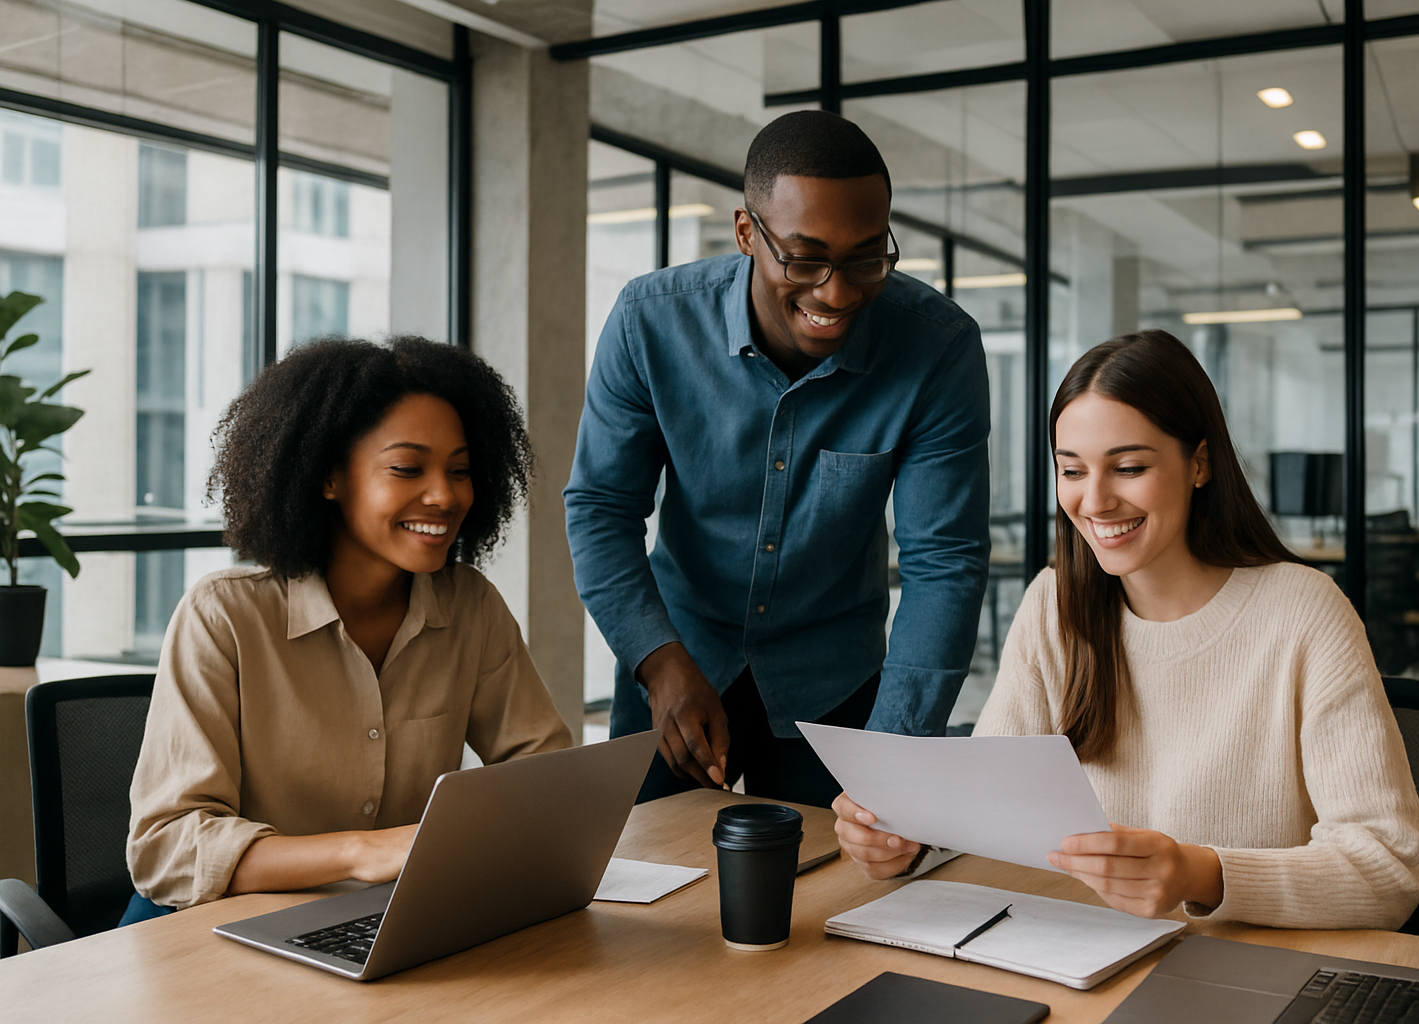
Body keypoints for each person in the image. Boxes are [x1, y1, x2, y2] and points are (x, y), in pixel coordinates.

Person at [833, 329, 1419, 930]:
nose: (1095, 501)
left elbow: (1392, 867)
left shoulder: (1302, 613)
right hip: (1081, 959)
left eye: (1128, 467)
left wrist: (1201, 874)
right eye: (1072, 471)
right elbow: (992, 810)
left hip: (1242, 972)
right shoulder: (1055, 605)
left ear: (1199, 463)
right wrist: (908, 841)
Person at [565, 110, 991, 807]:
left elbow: (943, 562)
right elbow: (601, 508)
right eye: (805, 257)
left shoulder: (936, 349)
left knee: (837, 903)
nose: (837, 291)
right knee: (636, 890)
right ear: (746, 234)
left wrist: (893, 756)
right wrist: (659, 662)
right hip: (678, 660)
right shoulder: (650, 321)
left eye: (866, 258)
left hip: (834, 681)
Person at [126, 337, 572, 915]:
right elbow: (167, 848)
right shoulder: (223, 617)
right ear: (329, 477)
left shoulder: (471, 609)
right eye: (408, 468)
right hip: (209, 930)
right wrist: (365, 853)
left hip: (383, 918)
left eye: (459, 470)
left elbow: (549, 781)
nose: (444, 495)